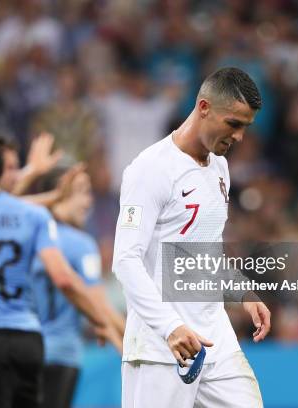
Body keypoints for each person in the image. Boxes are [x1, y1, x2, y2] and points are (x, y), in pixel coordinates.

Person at [113, 67, 271, 407]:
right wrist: (170, 326)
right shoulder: (150, 169)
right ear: (203, 108)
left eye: (246, 127)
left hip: (216, 339)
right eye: (234, 124)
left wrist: (240, 290)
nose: (240, 136)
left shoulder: (220, 169)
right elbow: (125, 260)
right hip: (161, 346)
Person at [0, 134, 116, 408]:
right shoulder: (34, 217)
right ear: (1, 171)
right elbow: (63, 278)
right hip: (27, 339)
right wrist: (101, 322)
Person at [32, 168, 125, 408]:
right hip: (61, 354)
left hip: (23, 352)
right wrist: (131, 339)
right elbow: (98, 304)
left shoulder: (26, 237)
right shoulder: (80, 244)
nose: (89, 201)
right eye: (82, 193)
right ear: (58, 195)